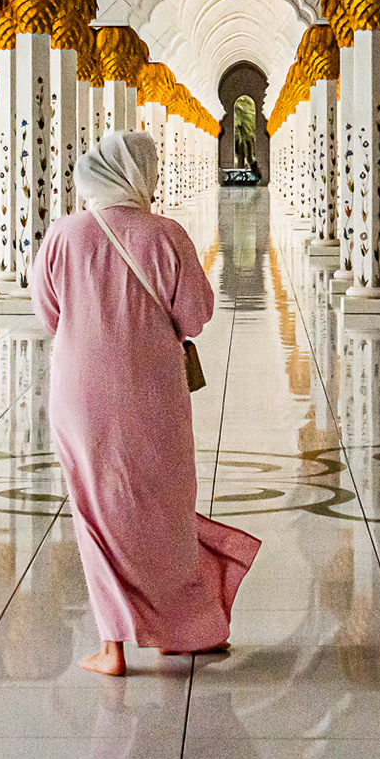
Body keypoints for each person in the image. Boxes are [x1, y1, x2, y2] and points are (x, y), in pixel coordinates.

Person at [31, 131, 260, 676]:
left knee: (95, 510)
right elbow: (197, 314)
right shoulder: (168, 235)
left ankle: (111, 647)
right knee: (162, 508)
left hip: (80, 394)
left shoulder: (63, 235)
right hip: (152, 391)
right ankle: (176, 628)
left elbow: (46, 311)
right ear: (140, 176)